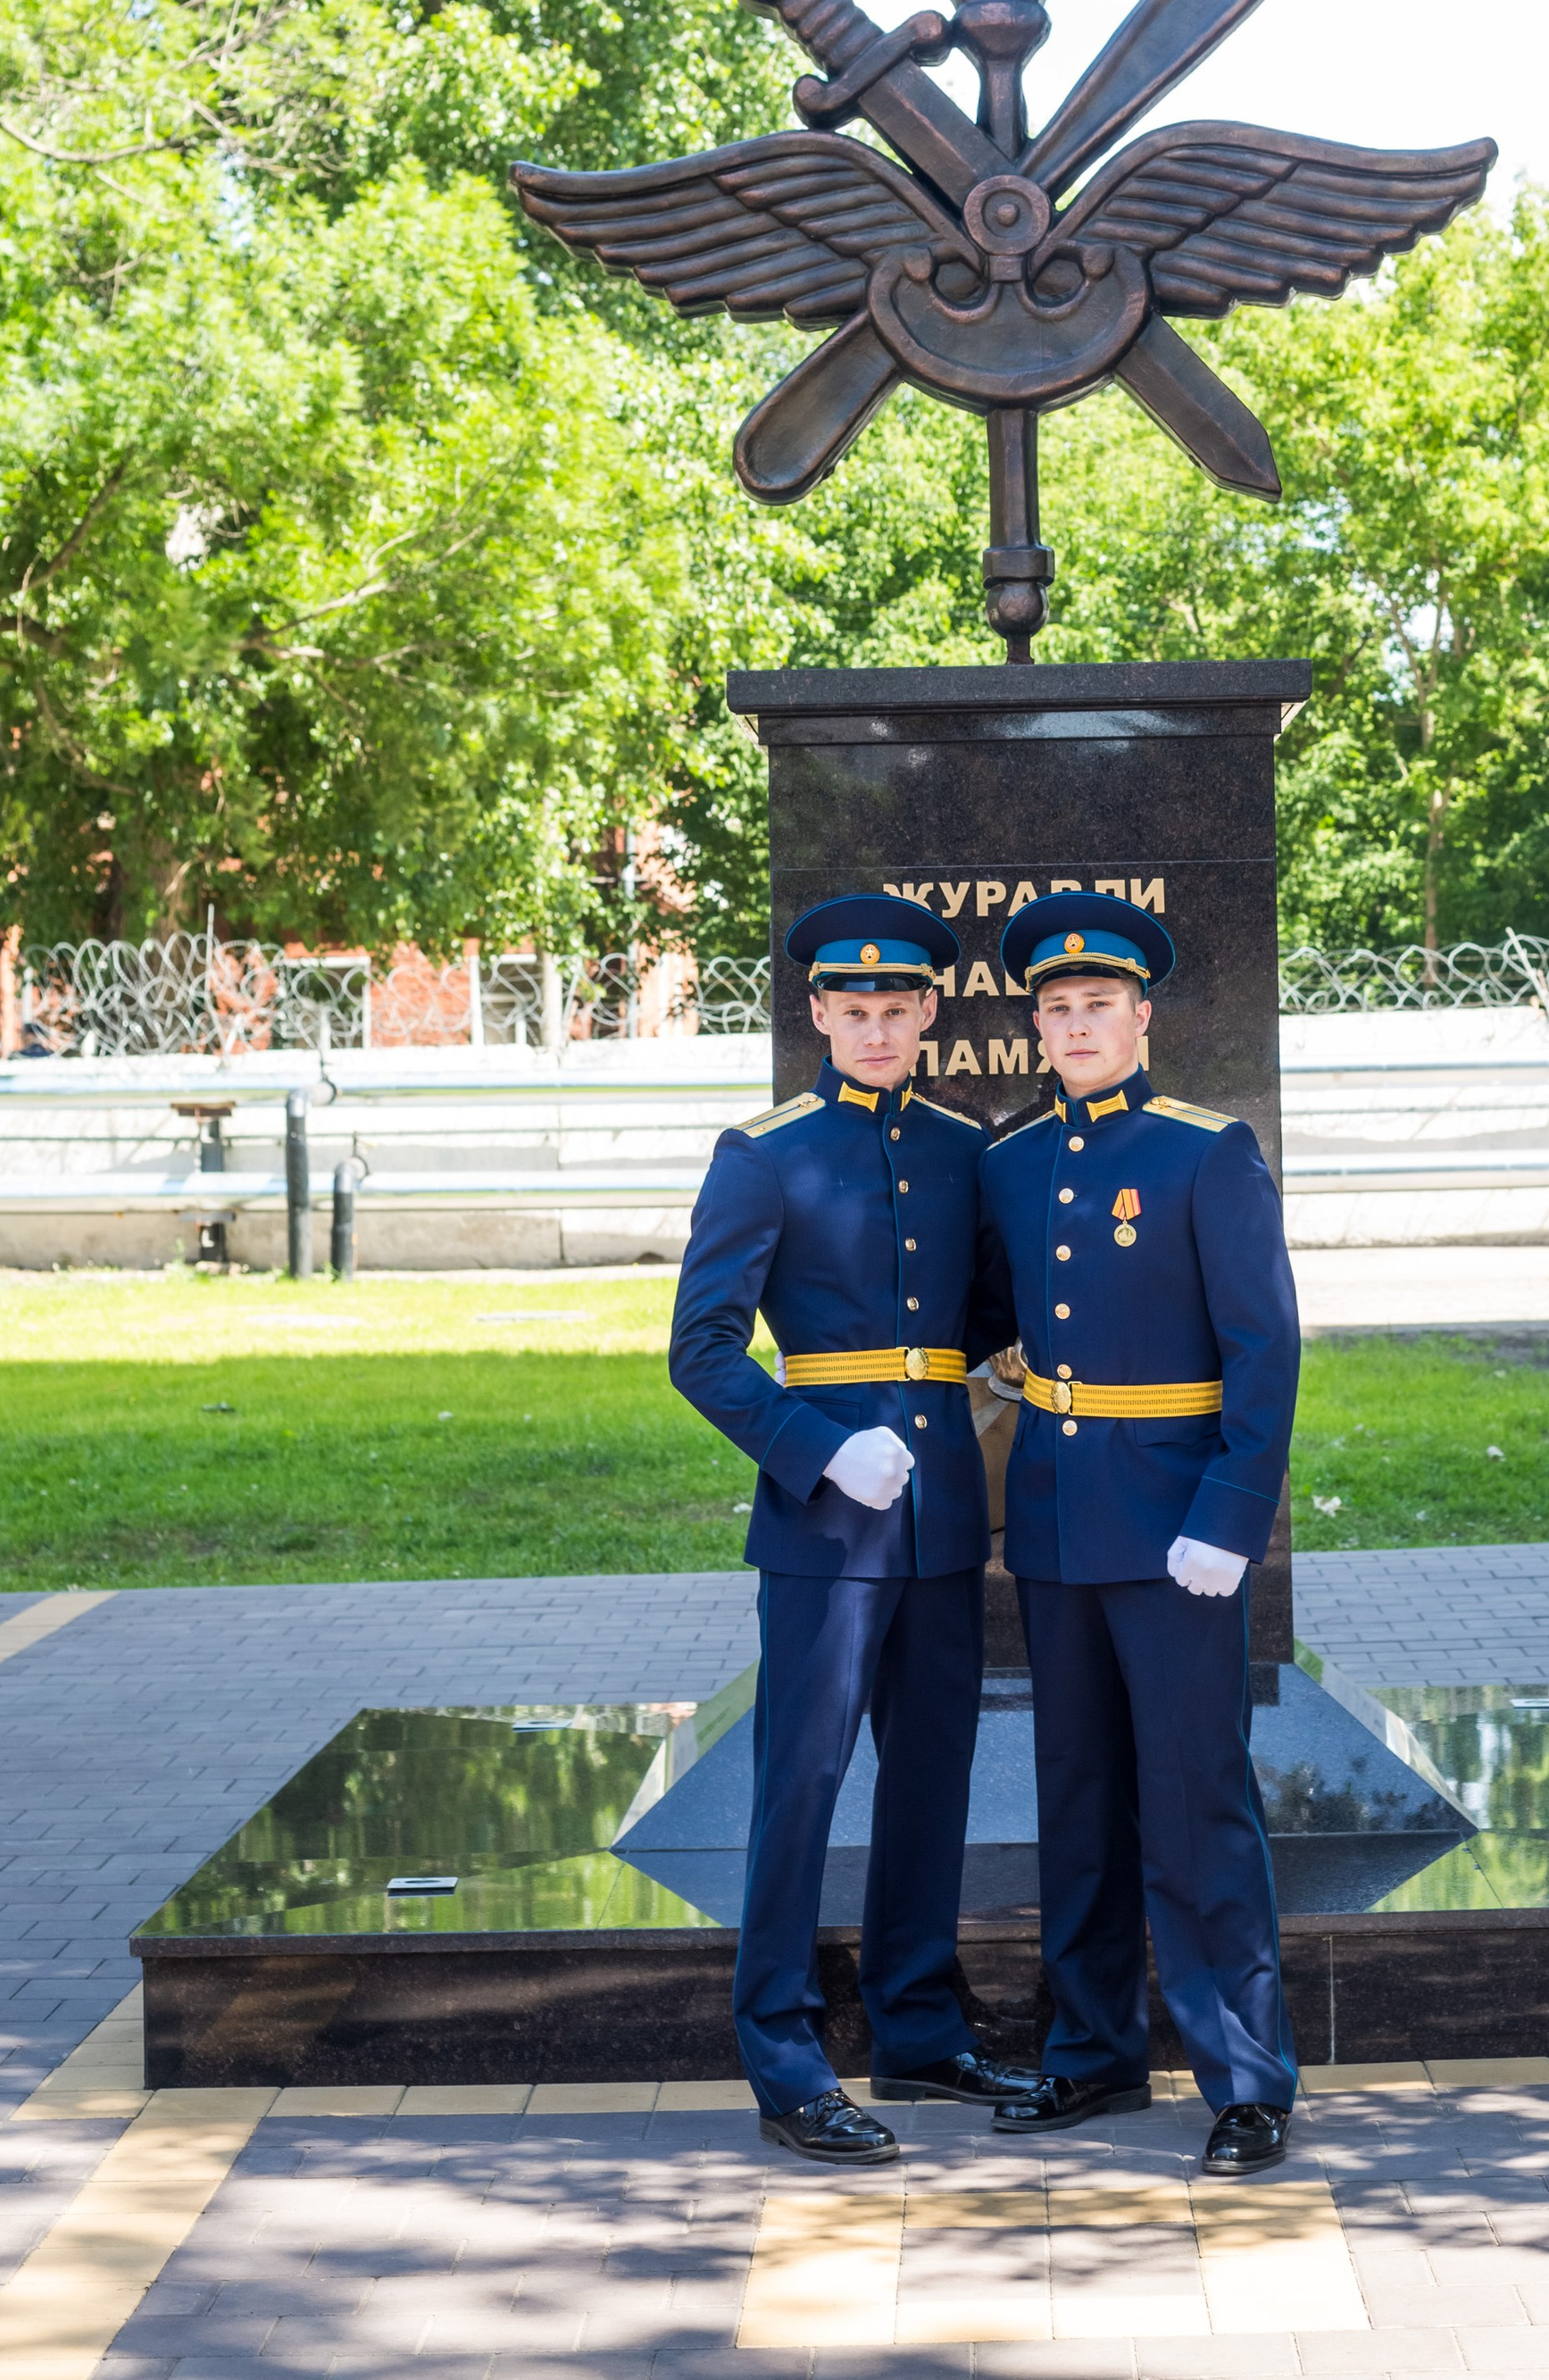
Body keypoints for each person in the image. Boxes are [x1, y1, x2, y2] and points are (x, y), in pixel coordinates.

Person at [669, 891, 1035, 2165]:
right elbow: (701, 1352)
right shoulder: (761, 1154)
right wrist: (820, 1449)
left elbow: (993, 1316)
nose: (875, 1029)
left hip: (941, 1512)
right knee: (802, 1784)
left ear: (932, 1013)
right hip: (825, 1527)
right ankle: (781, 2053)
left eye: (898, 1009)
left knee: (932, 1782)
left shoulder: (960, 1145)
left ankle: (920, 2027)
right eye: (852, 1009)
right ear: (817, 1012)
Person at [978, 890, 1302, 2176]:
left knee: (1195, 1797)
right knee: (1080, 1797)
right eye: (1055, 1010)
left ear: (1142, 1015)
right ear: (1037, 1029)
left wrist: (1233, 1513)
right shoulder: (1008, 1163)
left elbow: (1265, 1348)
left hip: (1178, 1531)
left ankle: (1244, 2077)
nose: (1076, 1025)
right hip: (1057, 1524)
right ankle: (1093, 2054)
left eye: (1098, 1005)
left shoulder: (1205, 1152)